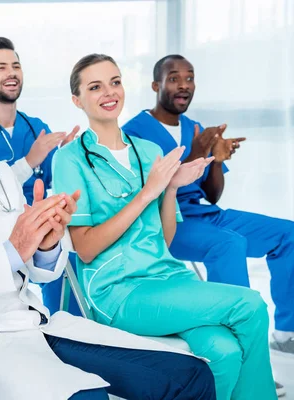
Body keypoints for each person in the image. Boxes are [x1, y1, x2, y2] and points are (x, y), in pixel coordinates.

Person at [0, 33, 216, 400]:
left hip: (31, 322)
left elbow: (40, 271)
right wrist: (13, 250)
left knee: (190, 376)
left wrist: (47, 244)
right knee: (85, 397)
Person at [52, 53, 277, 400]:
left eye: (115, 82)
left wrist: (171, 187)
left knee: (225, 351)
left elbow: (166, 240)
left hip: (169, 279)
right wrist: (149, 191)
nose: (109, 92)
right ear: (76, 99)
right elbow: (85, 248)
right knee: (250, 305)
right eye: (95, 87)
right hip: (117, 292)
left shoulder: (149, 150)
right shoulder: (70, 159)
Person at [122, 54, 294, 357]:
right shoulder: (134, 132)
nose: (184, 85)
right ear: (155, 85)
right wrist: (194, 154)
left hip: (205, 214)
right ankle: (241, 351)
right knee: (228, 244)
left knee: (287, 234)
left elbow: (212, 196)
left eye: (189, 78)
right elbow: (153, 193)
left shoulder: (195, 128)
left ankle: (285, 333)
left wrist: (216, 161)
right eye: (174, 78)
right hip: (166, 221)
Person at [0, 37, 79, 205]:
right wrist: (29, 162)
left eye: (16, 66)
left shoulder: (36, 128)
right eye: (1, 67)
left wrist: (65, 157)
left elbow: (58, 183)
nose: (12, 73)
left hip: (41, 224)